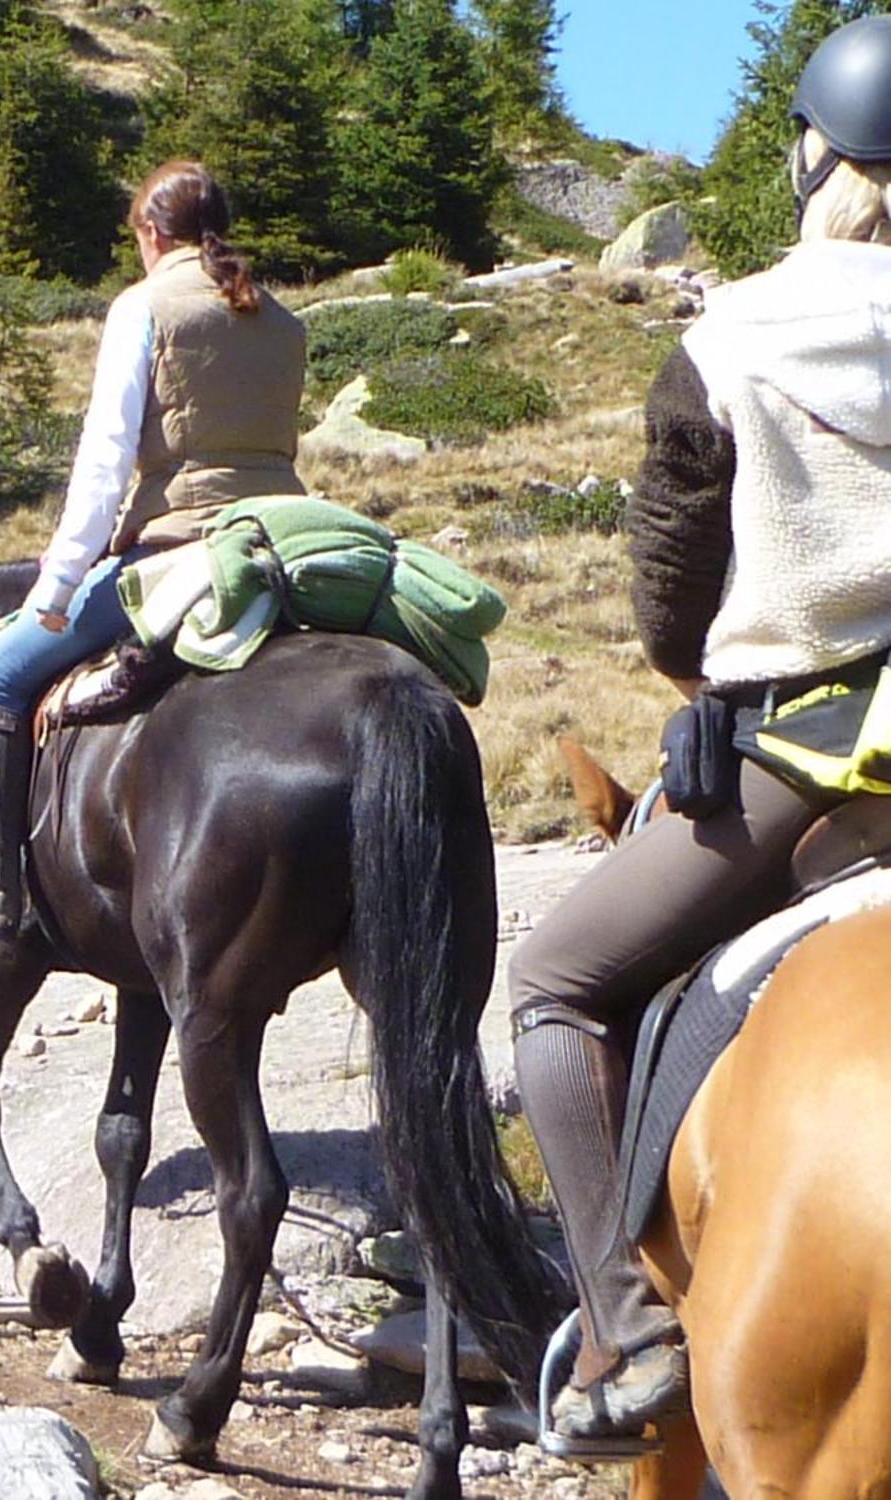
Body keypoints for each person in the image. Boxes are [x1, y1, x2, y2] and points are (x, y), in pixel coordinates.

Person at [511, 13, 891, 1446]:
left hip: (803, 760)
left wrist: (704, 684)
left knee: (552, 985)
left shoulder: (729, 339)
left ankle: (625, 1325)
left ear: (814, 158)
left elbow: (670, 590)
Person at [0, 160, 308, 959]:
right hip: (279, 541)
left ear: (152, 235)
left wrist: (56, 588)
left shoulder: (145, 307)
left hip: (178, 548)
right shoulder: (280, 318)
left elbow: (105, 460)